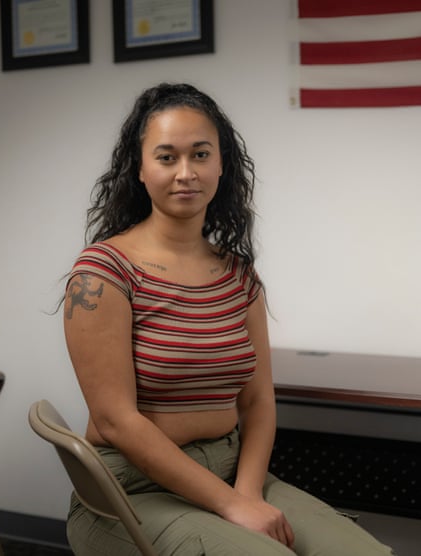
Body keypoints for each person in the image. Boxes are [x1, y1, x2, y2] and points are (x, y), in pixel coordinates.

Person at [63, 82, 395, 555]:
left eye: (200, 154)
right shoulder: (103, 272)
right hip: (131, 488)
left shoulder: (238, 275)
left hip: (233, 469)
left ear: (221, 164)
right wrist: (230, 505)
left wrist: (248, 494)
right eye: (166, 157)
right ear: (139, 168)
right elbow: (115, 421)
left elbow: (258, 401)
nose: (186, 173)